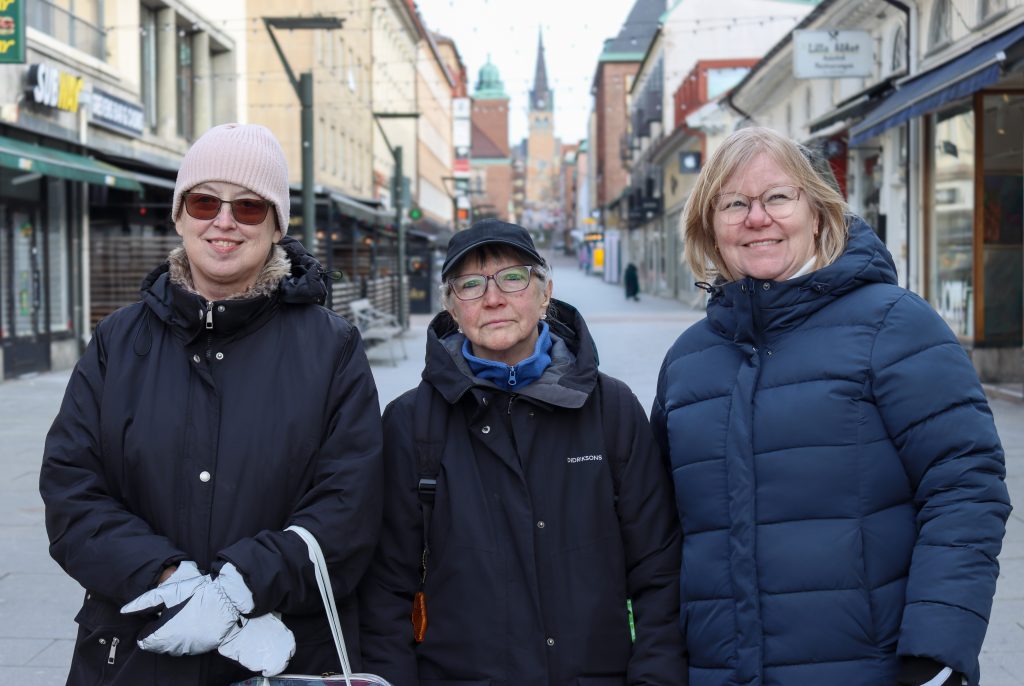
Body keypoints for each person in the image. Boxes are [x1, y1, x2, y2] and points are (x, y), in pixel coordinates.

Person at [651, 126, 1010, 686]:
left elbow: (966, 486)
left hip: (873, 668)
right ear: (709, 227)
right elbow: (662, 534)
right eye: (735, 203)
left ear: (817, 213)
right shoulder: (687, 361)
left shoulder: (895, 325)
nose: (756, 218)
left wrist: (937, 654)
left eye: (777, 197)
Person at [39, 123, 383, 685]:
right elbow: (71, 488)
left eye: (248, 207)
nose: (223, 221)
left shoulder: (331, 348)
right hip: (131, 655)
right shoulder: (118, 342)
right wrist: (167, 577)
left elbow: (351, 503)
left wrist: (240, 586)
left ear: (276, 227)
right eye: (204, 201)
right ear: (179, 216)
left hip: (283, 655)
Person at [359, 218, 686, 684]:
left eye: (512, 277)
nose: (493, 299)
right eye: (470, 285)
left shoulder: (610, 410)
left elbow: (659, 573)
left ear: (545, 291)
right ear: (452, 307)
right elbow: (385, 592)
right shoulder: (413, 424)